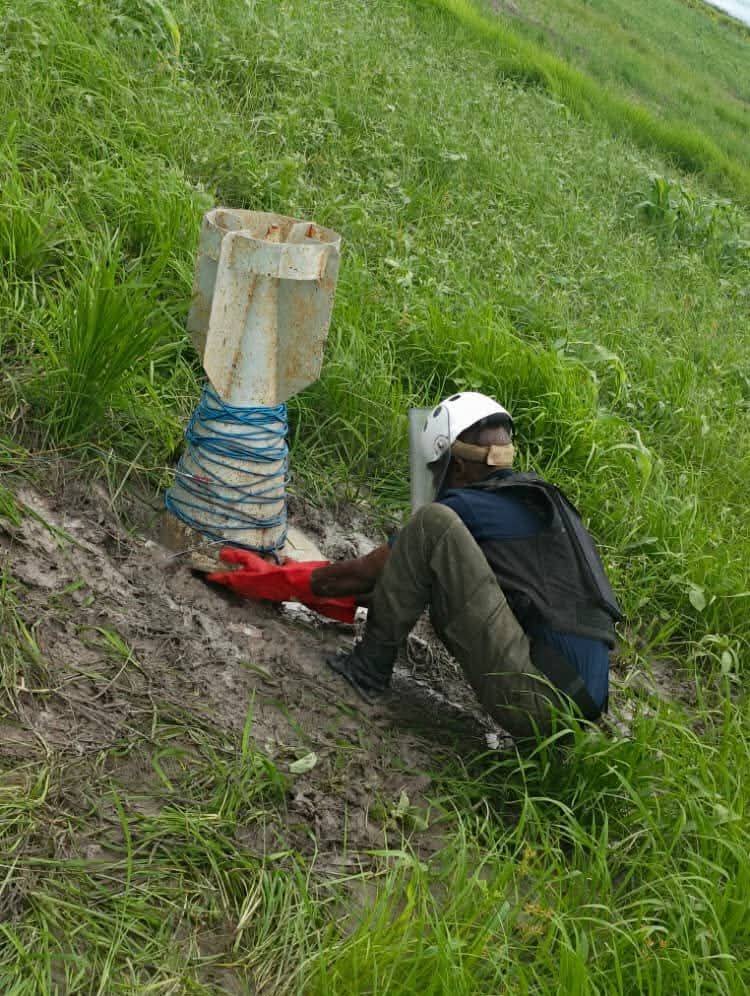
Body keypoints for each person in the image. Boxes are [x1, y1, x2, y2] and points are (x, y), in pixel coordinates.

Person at [311, 392, 622, 740]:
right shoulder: (531, 503)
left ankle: (367, 669)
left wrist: (304, 580)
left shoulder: (473, 506)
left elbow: (367, 572)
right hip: (574, 711)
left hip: (538, 703)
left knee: (432, 522)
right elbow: (414, 579)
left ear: (457, 466)